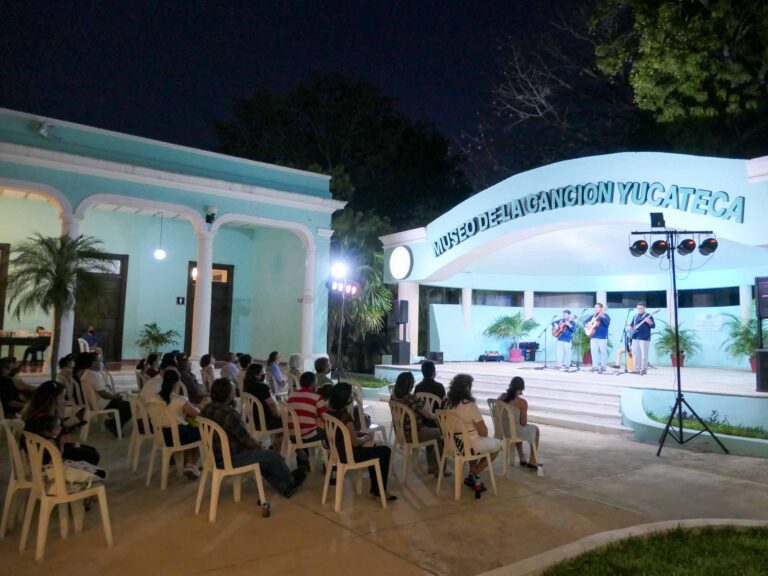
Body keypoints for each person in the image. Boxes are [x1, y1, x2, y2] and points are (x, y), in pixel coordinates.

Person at [201, 378, 306, 498]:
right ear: (228, 395)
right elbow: (247, 441)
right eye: (233, 391)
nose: (234, 393)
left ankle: (284, 484)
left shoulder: (205, 409)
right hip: (231, 458)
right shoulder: (229, 414)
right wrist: (261, 446)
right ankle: (289, 483)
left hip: (213, 457)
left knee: (264, 457)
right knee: (273, 455)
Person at [327, 382, 396, 502]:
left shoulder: (330, 413)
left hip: (337, 452)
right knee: (385, 451)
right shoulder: (345, 417)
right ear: (346, 398)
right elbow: (355, 443)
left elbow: (343, 434)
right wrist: (365, 438)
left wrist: (361, 436)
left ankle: (376, 489)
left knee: (373, 447)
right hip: (349, 455)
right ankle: (380, 490)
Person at [21, 380, 100, 465]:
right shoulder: (47, 420)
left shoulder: (36, 415)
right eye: (62, 397)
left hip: (40, 452)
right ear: (53, 399)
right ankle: (78, 474)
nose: (64, 401)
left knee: (90, 450)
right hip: (49, 458)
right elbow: (57, 449)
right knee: (92, 455)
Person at [445, 374, 500, 492]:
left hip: (452, 444)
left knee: (473, 442)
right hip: (468, 445)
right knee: (497, 446)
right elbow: (483, 431)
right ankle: (473, 473)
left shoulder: (447, 403)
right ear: (468, 388)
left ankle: (473, 474)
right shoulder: (469, 405)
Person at [389, 371, 445, 477]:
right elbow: (427, 414)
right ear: (410, 385)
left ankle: (432, 465)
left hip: (401, 433)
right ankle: (437, 467)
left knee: (430, 431)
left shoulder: (393, 397)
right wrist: (437, 418)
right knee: (439, 433)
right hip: (413, 434)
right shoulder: (410, 398)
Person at [149, 369, 201, 479]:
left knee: (189, 429)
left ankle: (188, 463)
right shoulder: (180, 400)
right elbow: (198, 414)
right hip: (177, 436)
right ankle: (191, 464)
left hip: (162, 436)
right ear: (177, 383)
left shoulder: (154, 398)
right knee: (202, 432)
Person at [80, 352, 131, 436]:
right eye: (99, 360)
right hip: (102, 402)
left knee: (123, 401)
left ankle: (111, 422)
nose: (101, 362)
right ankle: (114, 425)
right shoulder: (93, 375)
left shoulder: (87, 373)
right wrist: (115, 396)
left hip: (94, 402)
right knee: (128, 406)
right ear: (93, 362)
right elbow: (104, 394)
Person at [286, 371, 327, 470]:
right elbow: (326, 418)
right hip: (307, 435)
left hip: (291, 434)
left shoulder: (292, 395)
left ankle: (302, 461)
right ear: (313, 384)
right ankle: (328, 463)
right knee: (329, 431)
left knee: (307, 425)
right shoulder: (317, 397)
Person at [498, 377, 539, 469]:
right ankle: (533, 461)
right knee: (535, 430)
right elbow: (523, 423)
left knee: (515, 427)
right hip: (512, 431)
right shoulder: (522, 402)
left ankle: (522, 457)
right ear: (522, 389)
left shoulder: (501, 397)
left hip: (502, 430)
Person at [242, 363, 283, 450]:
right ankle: (276, 448)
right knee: (287, 422)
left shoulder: (246, 387)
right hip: (264, 421)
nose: (264, 374)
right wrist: (279, 416)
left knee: (281, 421)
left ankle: (274, 445)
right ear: (257, 375)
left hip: (253, 419)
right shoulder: (262, 387)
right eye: (262, 372)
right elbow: (272, 406)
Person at [629, 303, 655, 375]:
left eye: (641, 308)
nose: (639, 310)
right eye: (638, 308)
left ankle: (643, 369)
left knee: (644, 354)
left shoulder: (648, 315)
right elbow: (631, 325)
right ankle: (636, 369)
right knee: (636, 354)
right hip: (635, 337)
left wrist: (648, 321)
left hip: (644, 337)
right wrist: (630, 328)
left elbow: (653, 326)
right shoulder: (635, 316)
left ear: (644, 308)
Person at [584, 303, 611, 373]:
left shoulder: (606, 315)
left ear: (602, 308)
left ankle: (603, 367)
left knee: (603, 352)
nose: (596, 308)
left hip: (602, 336)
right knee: (593, 352)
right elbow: (585, 321)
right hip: (593, 336)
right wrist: (587, 324)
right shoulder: (593, 316)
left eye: (597, 307)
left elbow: (607, 324)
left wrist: (602, 317)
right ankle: (595, 366)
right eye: (595, 307)